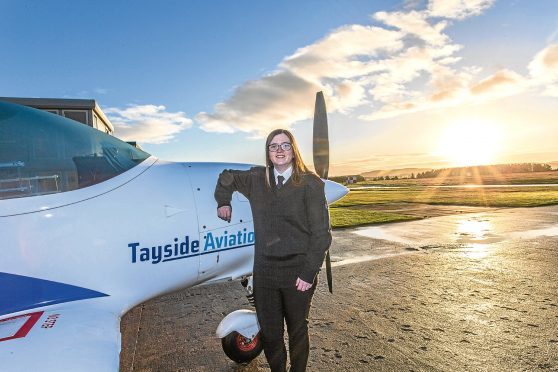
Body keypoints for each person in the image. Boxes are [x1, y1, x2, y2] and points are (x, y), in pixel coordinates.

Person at [214, 129, 332, 372]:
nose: (279, 150)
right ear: (268, 153)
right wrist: (223, 201)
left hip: (298, 273)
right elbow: (226, 177)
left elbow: (322, 235)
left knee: (298, 330)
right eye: (273, 146)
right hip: (265, 273)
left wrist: (308, 273)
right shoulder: (258, 179)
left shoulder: (310, 183)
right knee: (270, 334)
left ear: (293, 150)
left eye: (285, 145)